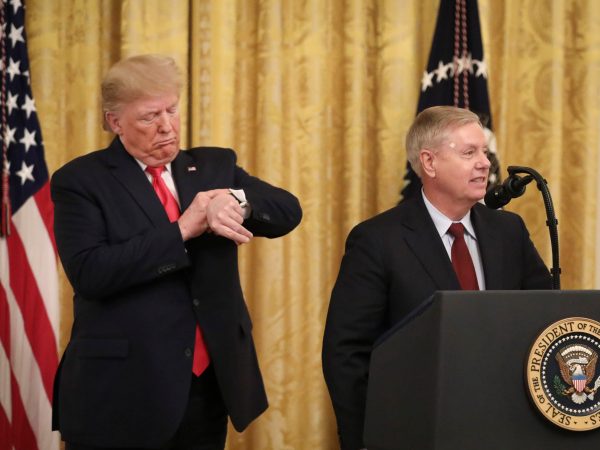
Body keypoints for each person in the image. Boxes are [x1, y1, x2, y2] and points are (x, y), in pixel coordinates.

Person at [51, 54, 302, 450]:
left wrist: (236, 200)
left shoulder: (213, 166)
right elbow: (90, 272)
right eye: (149, 117)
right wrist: (183, 229)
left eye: (171, 110)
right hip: (122, 391)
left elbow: (288, 210)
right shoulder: (81, 181)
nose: (166, 126)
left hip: (205, 388)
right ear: (115, 122)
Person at [322, 106, 551, 450]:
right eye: (469, 153)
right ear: (429, 162)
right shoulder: (378, 240)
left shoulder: (509, 231)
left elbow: (544, 317)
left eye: (484, 152)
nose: (485, 163)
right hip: (418, 430)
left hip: (509, 426)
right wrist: (366, 439)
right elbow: (346, 354)